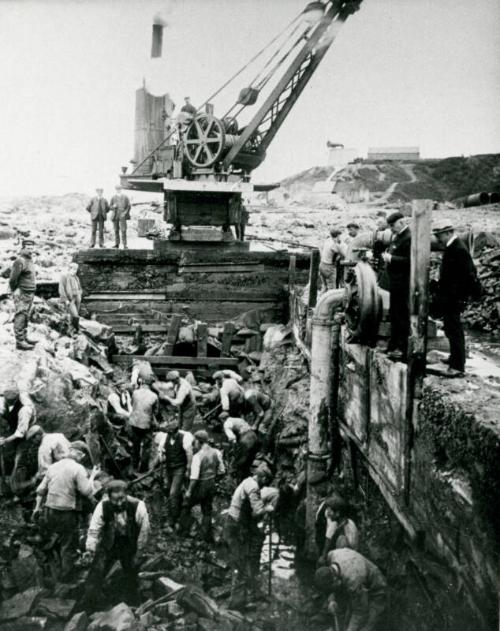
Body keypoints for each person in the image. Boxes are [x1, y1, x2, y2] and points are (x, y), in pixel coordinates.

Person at [33, 447, 99, 579]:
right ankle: (67, 576)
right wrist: (92, 477)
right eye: (82, 455)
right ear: (80, 455)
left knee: (53, 539)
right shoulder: (78, 468)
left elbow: (40, 490)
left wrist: (36, 508)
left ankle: (50, 570)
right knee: (68, 543)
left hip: (49, 511)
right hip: (67, 513)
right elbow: (86, 491)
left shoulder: (53, 467)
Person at [83, 480, 150, 609]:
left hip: (129, 543)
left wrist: (139, 553)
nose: (119, 503)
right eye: (115, 500)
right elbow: (94, 530)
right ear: (108, 497)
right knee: (96, 572)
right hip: (109, 543)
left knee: (131, 573)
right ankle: (90, 604)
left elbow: (145, 532)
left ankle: (133, 605)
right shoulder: (102, 506)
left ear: (126, 495)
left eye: (122, 499)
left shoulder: (138, 506)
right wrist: (90, 549)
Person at [224, 463, 275, 609]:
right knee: (240, 564)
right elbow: (257, 511)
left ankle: (242, 595)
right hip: (236, 526)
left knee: (240, 561)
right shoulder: (253, 487)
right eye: (266, 481)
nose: (266, 485)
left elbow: (251, 511)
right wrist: (268, 509)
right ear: (262, 477)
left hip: (235, 524)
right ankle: (237, 604)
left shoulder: (247, 481)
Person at [433, 223, 479, 376]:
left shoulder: (458, 249)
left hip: (454, 298)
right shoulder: (453, 247)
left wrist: (461, 298)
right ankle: (454, 358)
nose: (438, 239)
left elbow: (470, 275)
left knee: (455, 330)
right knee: (450, 328)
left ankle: (458, 366)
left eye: (439, 236)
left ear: (448, 233)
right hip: (449, 297)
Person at [314, 549, 387, 631]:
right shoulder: (332, 555)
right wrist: (332, 600)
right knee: (347, 618)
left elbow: (360, 613)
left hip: (377, 590)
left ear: (335, 580)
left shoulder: (354, 580)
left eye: (332, 588)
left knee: (366, 626)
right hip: (359, 583)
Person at [180, 430, 225, 542]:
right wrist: (214, 479)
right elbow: (222, 471)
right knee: (207, 510)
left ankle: (183, 532)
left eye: (195, 441)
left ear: (199, 441)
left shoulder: (197, 457)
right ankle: (205, 537)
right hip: (211, 484)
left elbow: (194, 478)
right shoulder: (217, 452)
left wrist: (189, 491)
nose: (194, 443)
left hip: (200, 485)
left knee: (186, 506)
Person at [382, 212, 411, 361]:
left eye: (393, 226)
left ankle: (402, 348)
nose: (391, 229)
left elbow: (409, 261)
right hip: (395, 283)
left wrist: (391, 258)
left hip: (403, 283)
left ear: (401, 222)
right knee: (394, 314)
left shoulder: (408, 237)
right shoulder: (398, 237)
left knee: (402, 316)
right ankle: (393, 345)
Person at [160, 418, 193, 529]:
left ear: (176, 431)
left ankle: (173, 518)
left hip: (180, 468)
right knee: (170, 490)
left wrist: (188, 469)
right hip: (169, 467)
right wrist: (162, 457)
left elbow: (189, 454)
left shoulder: (185, 437)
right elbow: (161, 450)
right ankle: (177, 508)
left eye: (172, 433)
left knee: (173, 493)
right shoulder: (165, 437)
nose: (171, 435)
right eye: (169, 433)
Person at [9, 238, 37, 350]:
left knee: (26, 315)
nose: (30, 250)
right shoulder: (19, 261)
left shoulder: (29, 260)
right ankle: (19, 341)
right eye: (28, 248)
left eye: (32, 248)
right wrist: (15, 290)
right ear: (23, 248)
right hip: (22, 293)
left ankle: (25, 337)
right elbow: (12, 279)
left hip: (30, 292)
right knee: (20, 315)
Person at [317, 494, 359, 565]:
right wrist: (323, 556)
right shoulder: (334, 523)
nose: (327, 513)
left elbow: (351, 550)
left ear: (337, 513)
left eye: (330, 511)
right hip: (336, 554)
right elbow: (328, 539)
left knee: (341, 540)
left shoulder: (350, 528)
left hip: (347, 559)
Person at [128, 376, 159, 472]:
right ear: (150, 385)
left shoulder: (135, 393)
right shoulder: (154, 396)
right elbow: (156, 412)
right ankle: (143, 468)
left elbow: (133, 404)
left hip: (134, 422)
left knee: (135, 445)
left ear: (142, 383)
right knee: (146, 446)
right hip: (146, 424)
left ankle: (134, 465)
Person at [222, 415, 260, 481]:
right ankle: (245, 478)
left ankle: (232, 478)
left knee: (239, 462)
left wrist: (234, 450)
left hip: (246, 439)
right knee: (249, 461)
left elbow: (232, 438)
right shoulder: (238, 419)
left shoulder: (226, 423)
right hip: (254, 436)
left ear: (222, 419)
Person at [58, 262, 82, 333]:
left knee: (73, 315)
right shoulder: (64, 276)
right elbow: (61, 289)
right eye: (73, 269)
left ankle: (72, 330)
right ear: (69, 269)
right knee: (75, 315)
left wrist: (80, 294)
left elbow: (79, 287)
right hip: (69, 299)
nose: (75, 271)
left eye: (76, 269)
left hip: (77, 298)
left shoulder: (76, 278)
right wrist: (65, 300)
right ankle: (77, 329)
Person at [109, 185, 131, 249]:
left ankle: (125, 244)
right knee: (116, 230)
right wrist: (113, 207)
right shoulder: (113, 197)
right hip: (115, 215)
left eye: (119, 189)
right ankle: (116, 244)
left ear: (121, 189)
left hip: (122, 216)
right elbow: (109, 207)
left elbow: (128, 206)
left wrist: (125, 213)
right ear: (115, 190)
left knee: (123, 230)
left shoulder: (125, 197)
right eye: (117, 189)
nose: (118, 190)